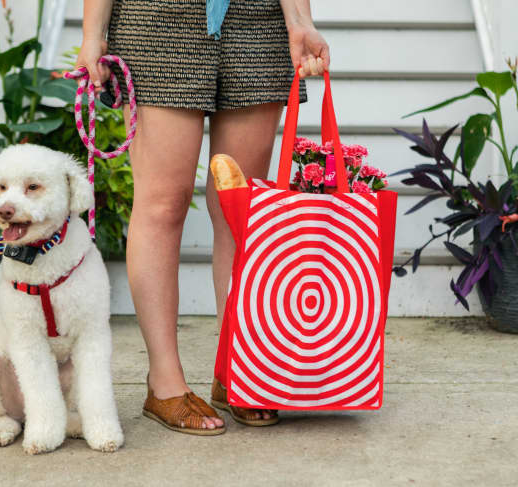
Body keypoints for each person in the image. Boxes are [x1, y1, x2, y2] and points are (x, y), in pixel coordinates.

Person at [76, 0, 329, 435]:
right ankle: (165, 382)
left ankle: (239, 371)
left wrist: (300, 20)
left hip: (257, 20)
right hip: (156, 20)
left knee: (240, 209)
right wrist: (92, 32)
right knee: (162, 203)